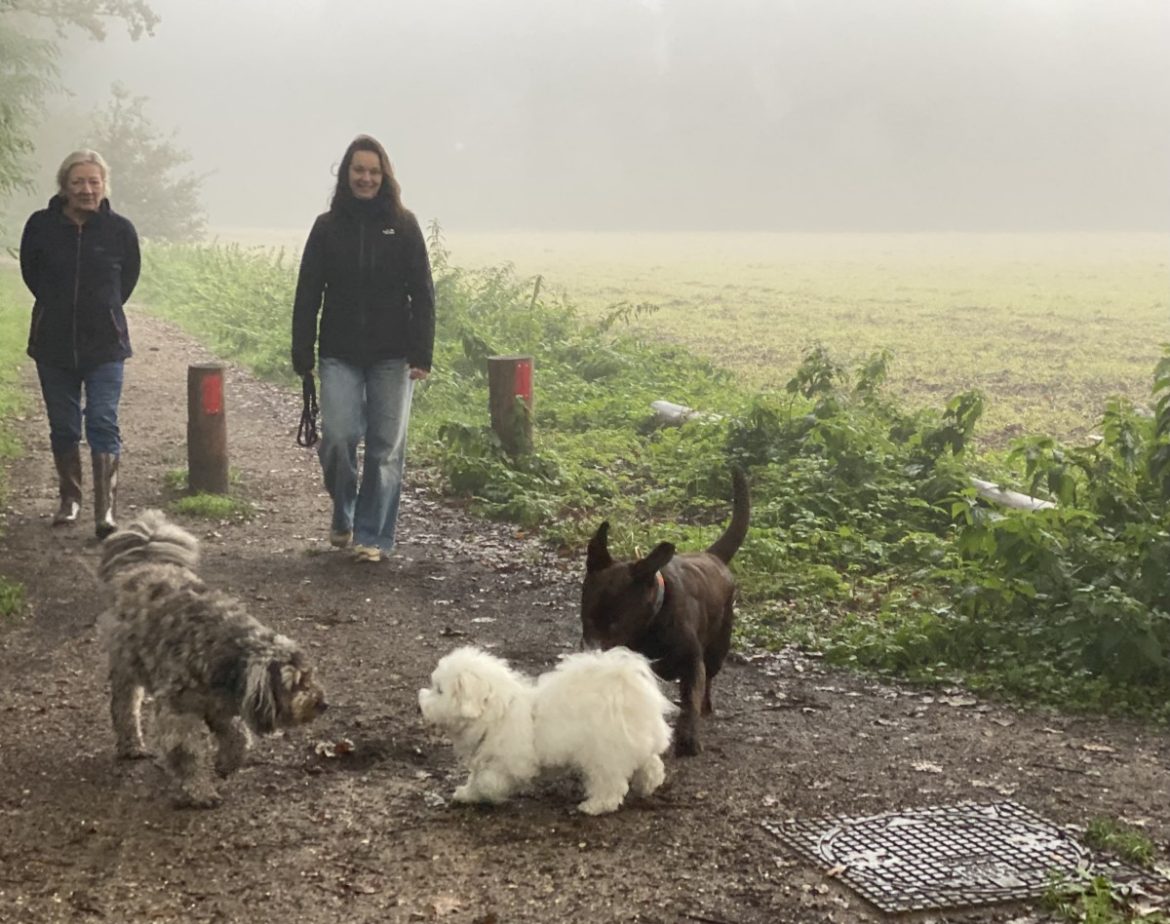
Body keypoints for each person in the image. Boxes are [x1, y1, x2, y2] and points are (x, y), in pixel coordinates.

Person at [291, 134, 435, 563]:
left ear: (384, 176)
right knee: (338, 438)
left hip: (394, 354)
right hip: (339, 352)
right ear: (346, 174)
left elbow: (423, 292)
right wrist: (302, 352)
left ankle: (372, 537)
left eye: (374, 171)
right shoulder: (326, 227)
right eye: (359, 170)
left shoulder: (404, 226)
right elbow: (308, 293)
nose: (366, 178)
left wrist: (422, 353)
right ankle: (344, 508)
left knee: (385, 448)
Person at [20, 149, 141, 539]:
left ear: (104, 185)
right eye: (78, 182)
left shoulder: (120, 230)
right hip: (52, 345)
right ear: (64, 186)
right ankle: (70, 499)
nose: (87, 189)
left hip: (106, 346)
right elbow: (31, 274)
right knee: (64, 425)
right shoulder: (40, 226)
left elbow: (127, 280)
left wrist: (102, 310)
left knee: (103, 420)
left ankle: (105, 511)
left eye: (94, 181)